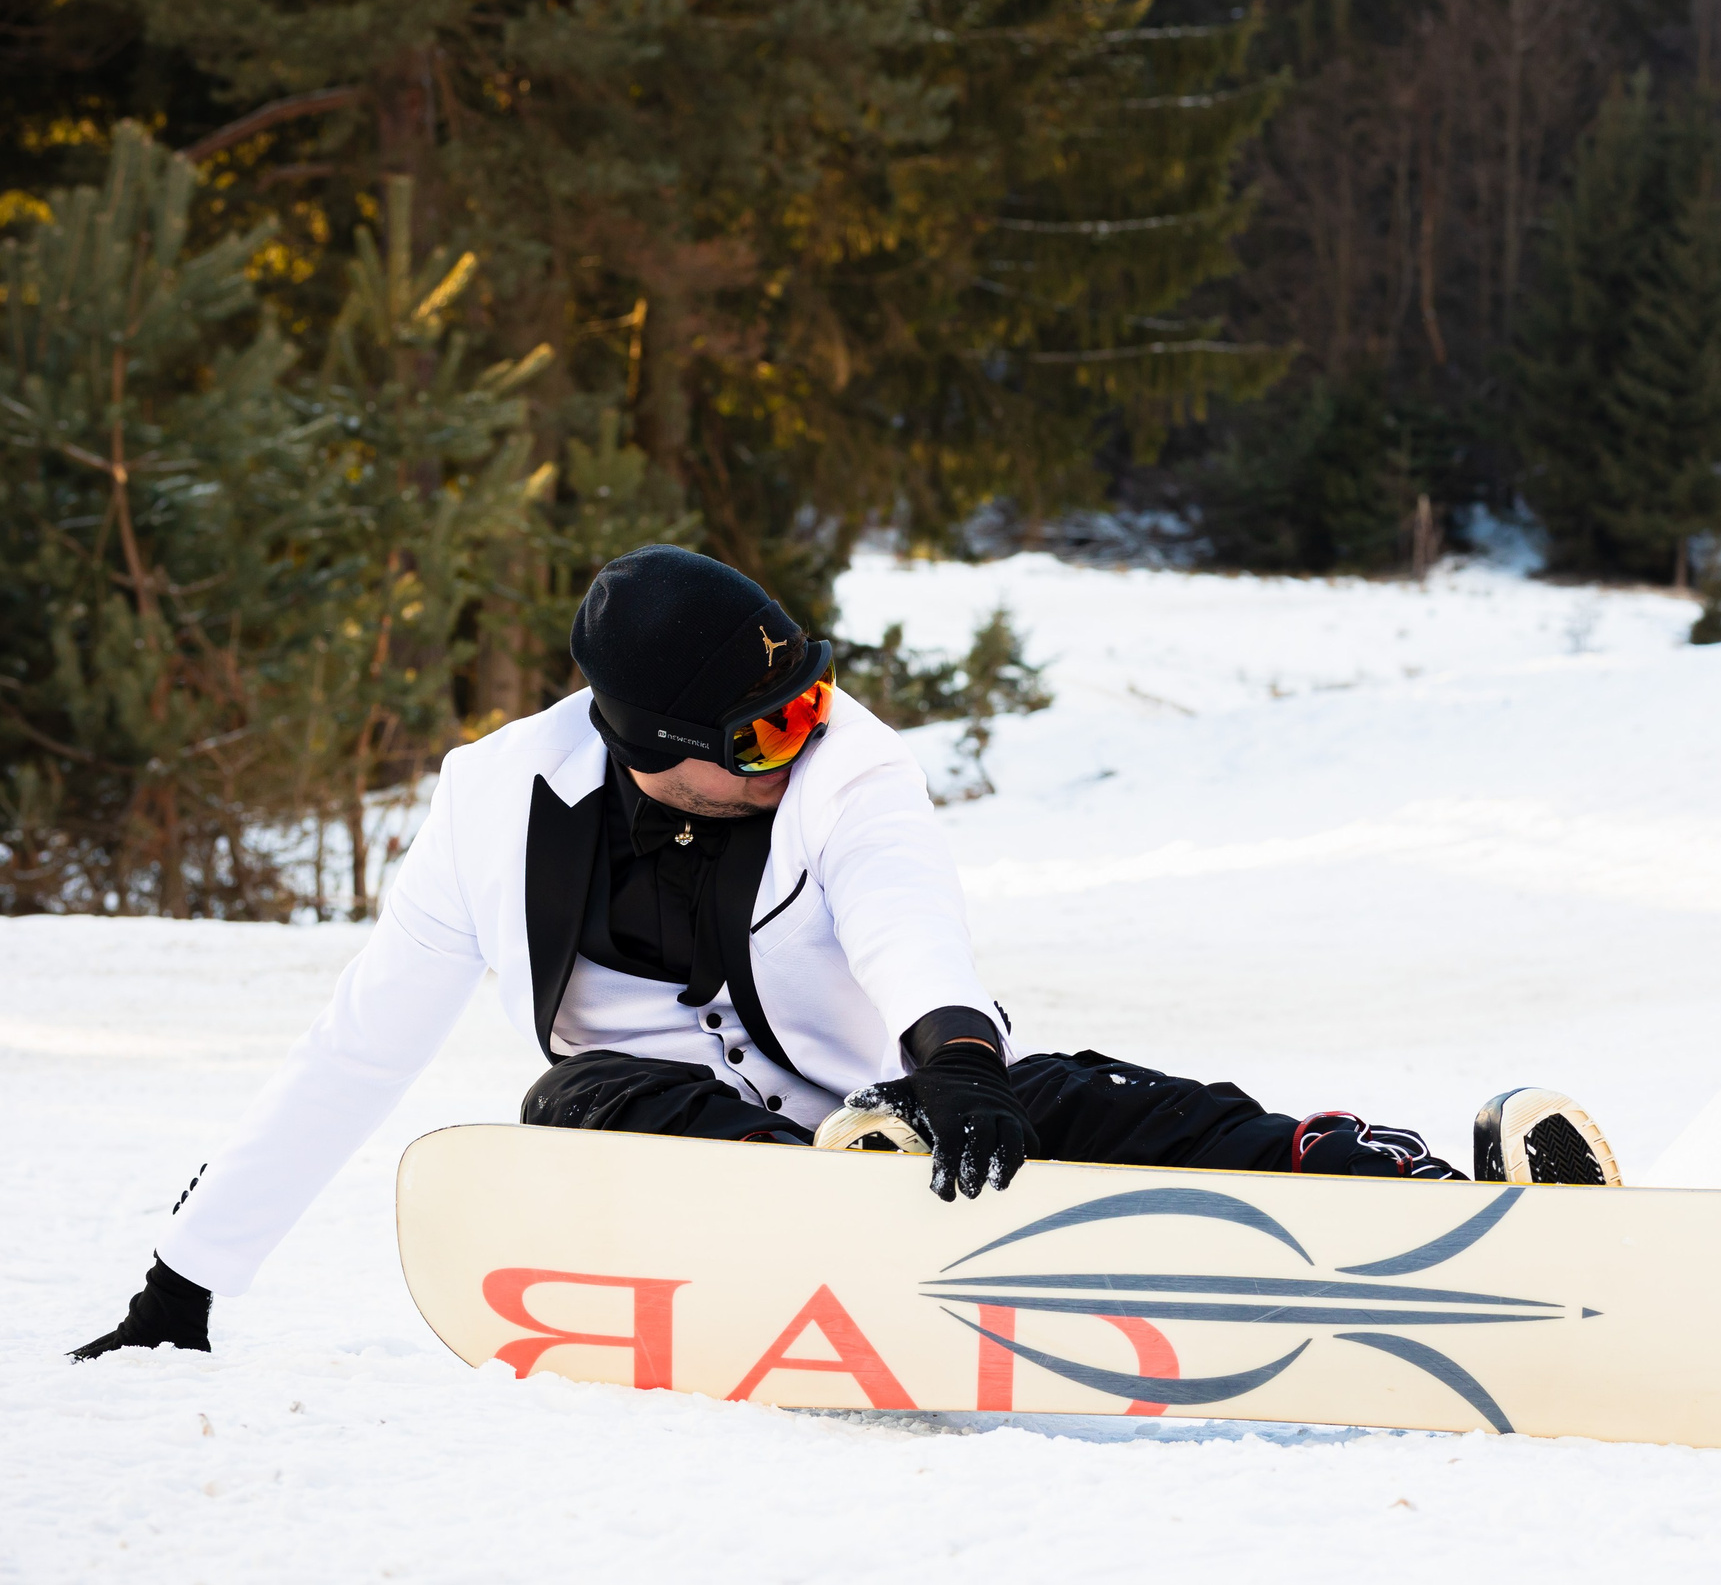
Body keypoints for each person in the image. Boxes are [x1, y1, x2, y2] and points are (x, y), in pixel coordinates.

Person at [71, 546, 1618, 1361]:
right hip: (700, 1158)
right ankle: (836, 1181)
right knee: (577, 1098)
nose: (805, 735)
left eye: (812, 693)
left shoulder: (848, 767)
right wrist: (188, 1272)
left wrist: (960, 1060)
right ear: (652, 747)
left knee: (1100, 1102)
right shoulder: (493, 809)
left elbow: (907, 918)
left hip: (895, 1101)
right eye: (769, 725)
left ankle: (1445, 1193)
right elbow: (358, 1044)